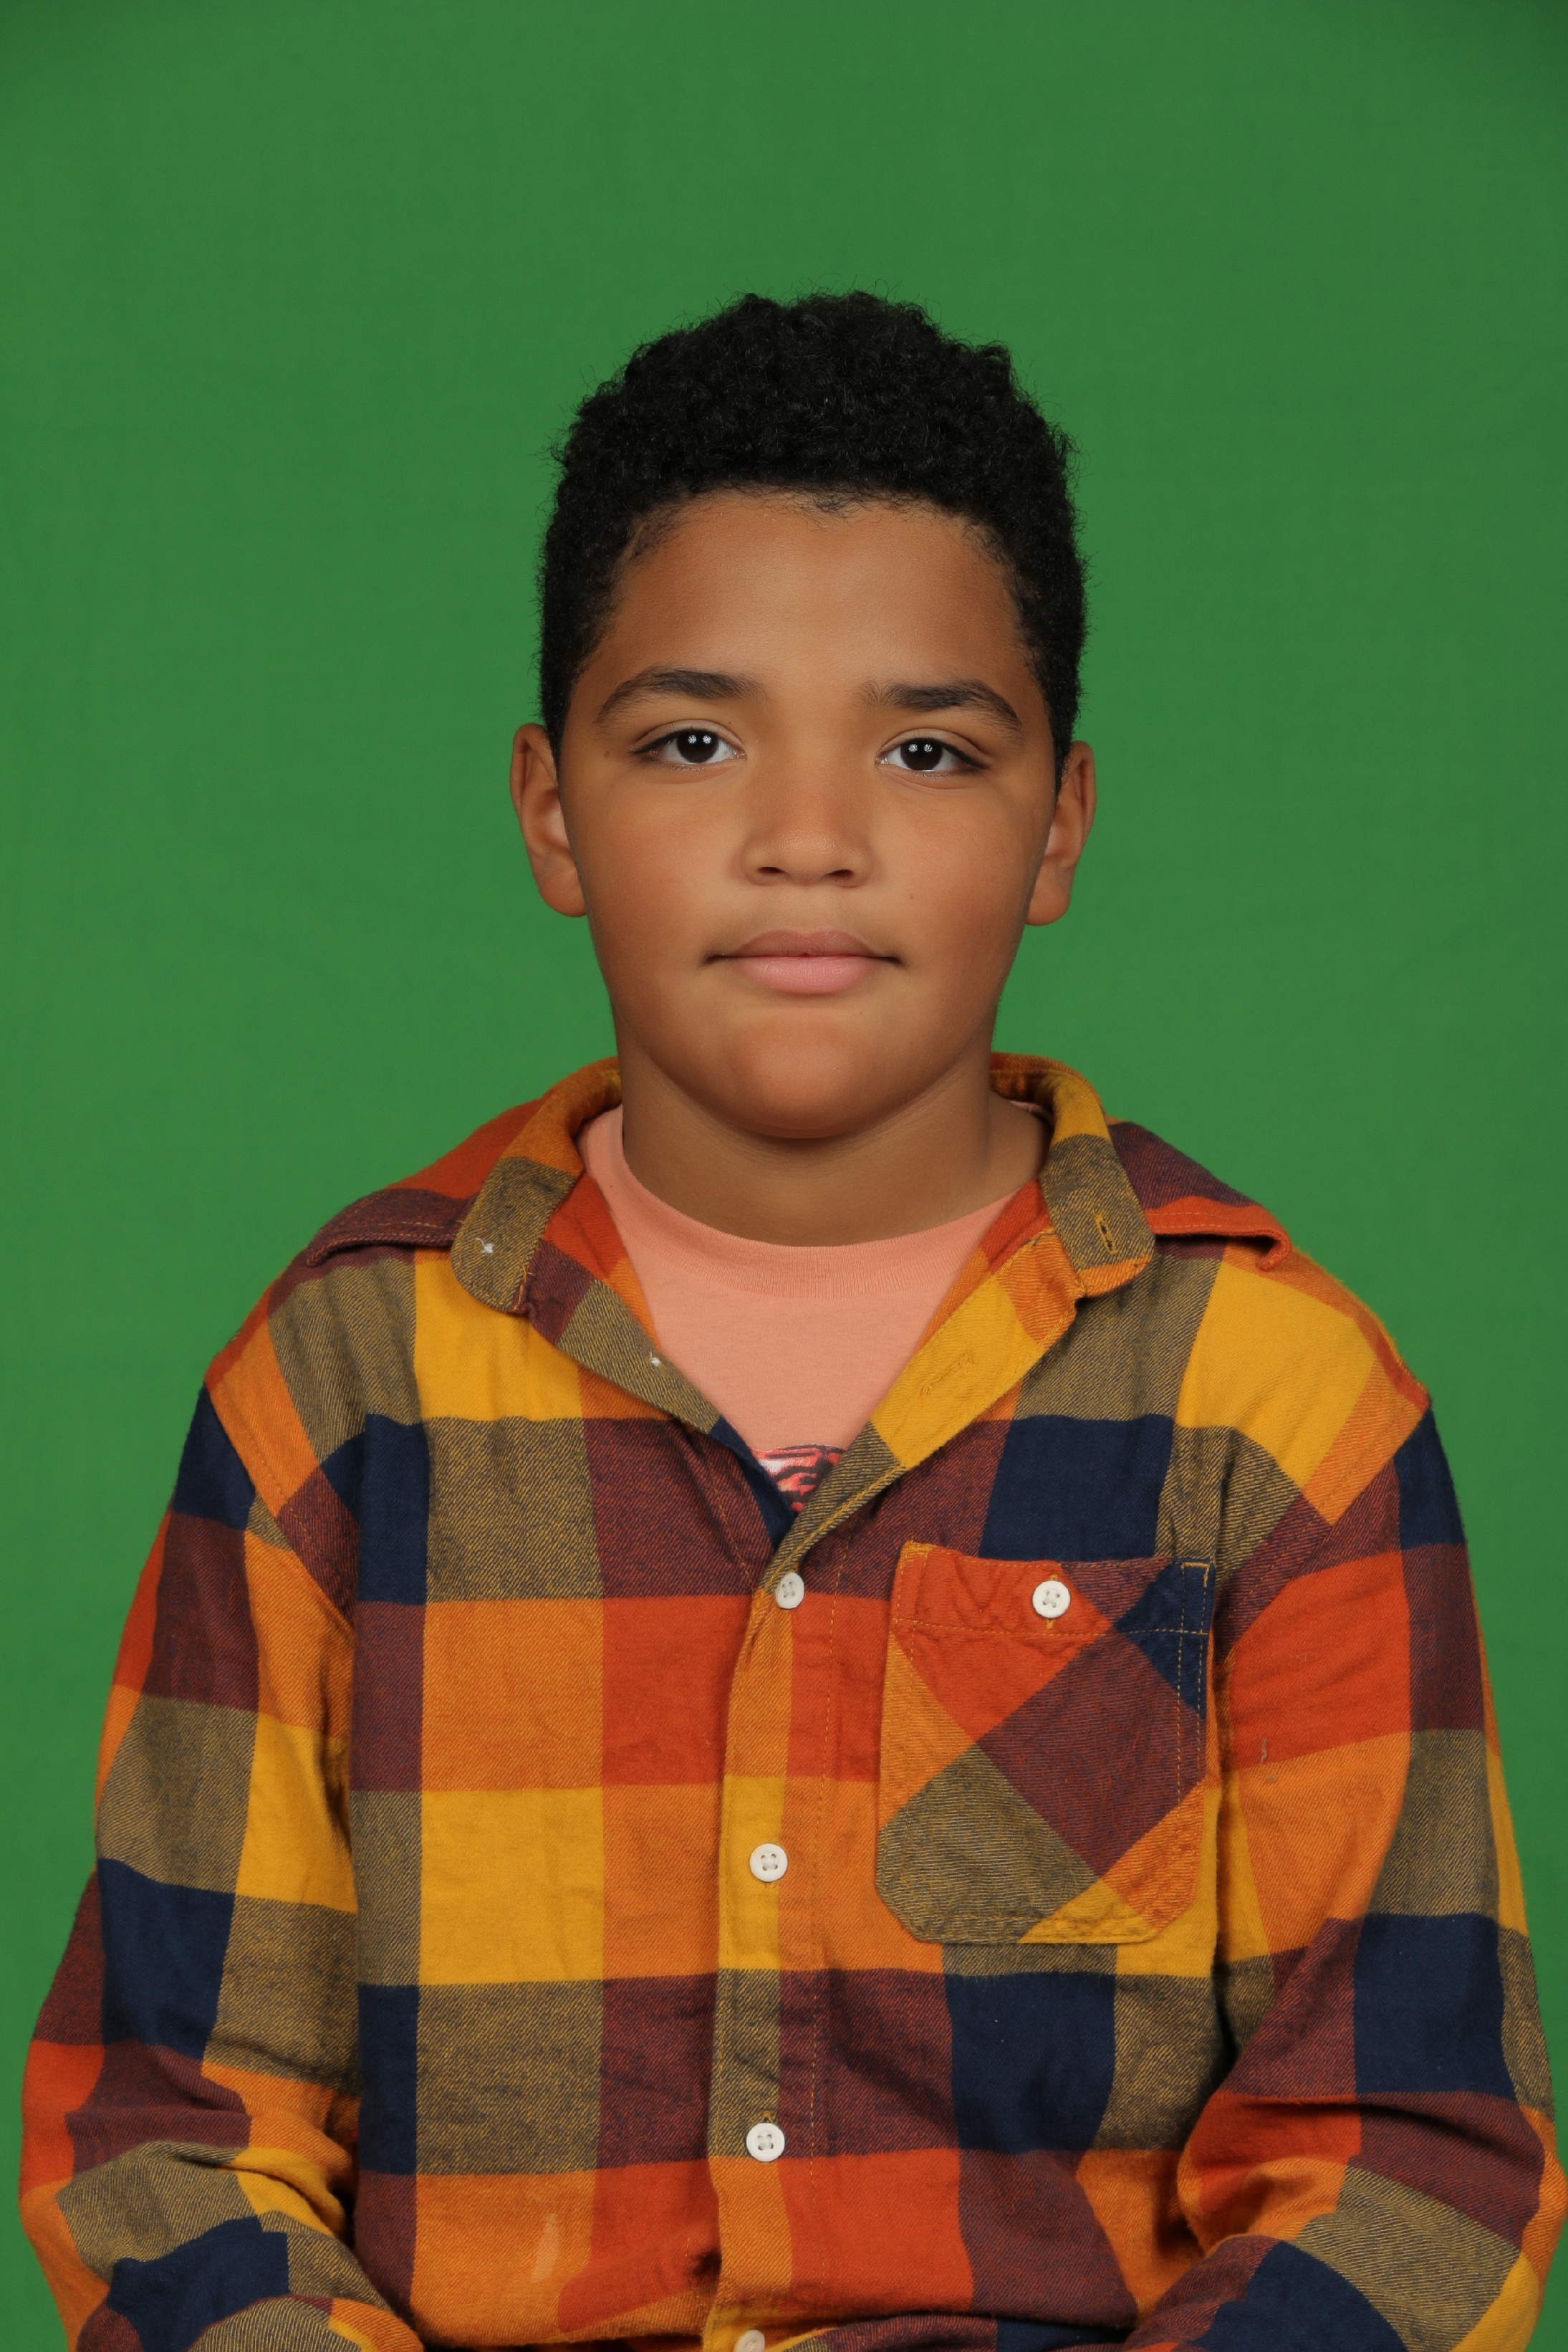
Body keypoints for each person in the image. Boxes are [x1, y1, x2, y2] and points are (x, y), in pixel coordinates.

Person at [21, 292, 1562, 2352]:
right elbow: (165, 2145)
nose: (810, 838)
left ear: (1060, 823)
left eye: (928, 749)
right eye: (694, 740)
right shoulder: (345, 1392)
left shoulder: (1275, 1409)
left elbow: (1410, 2167)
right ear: (552, 811)